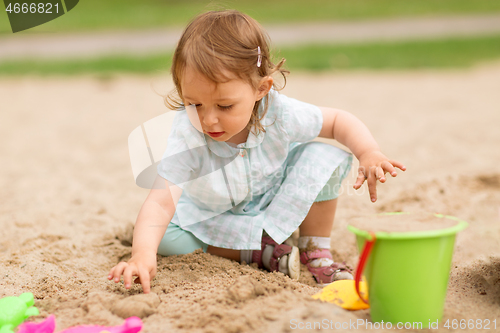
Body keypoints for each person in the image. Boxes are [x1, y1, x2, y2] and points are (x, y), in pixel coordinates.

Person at [108, 10, 405, 293]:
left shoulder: (281, 113)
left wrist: (368, 152)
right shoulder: (186, 135)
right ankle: (258, 250)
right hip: (215, 215)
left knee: (320, 156)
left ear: (261, 89)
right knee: (167, 239)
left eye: (225, 106)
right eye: (193, 104)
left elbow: (338, 121)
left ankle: (315, 251)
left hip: (272, 201)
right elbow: (160, 203)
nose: (208, 119)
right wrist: (142, 255)